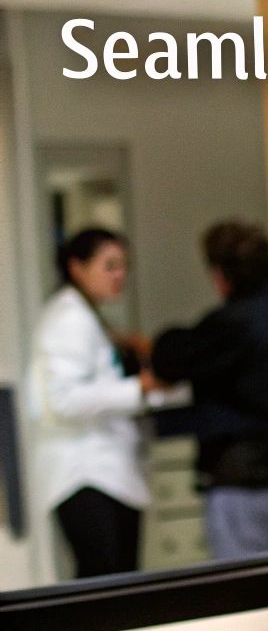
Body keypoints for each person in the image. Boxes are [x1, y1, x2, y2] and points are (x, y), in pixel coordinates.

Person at [27, 228, 165, 577]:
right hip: (87, 475)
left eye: (124, 266)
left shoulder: (88, 317)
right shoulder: (70, 319)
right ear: (77, 267)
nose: (120, 275)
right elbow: (61, 400)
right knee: (106, 587)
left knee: (115, 584)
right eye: (109, 265)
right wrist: (138, 388)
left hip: (105, 473)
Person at [150, 220, 268, 559]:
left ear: (220, 275)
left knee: (247, 595)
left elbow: (170, 358)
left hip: (247, 480)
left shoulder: (236, 324)